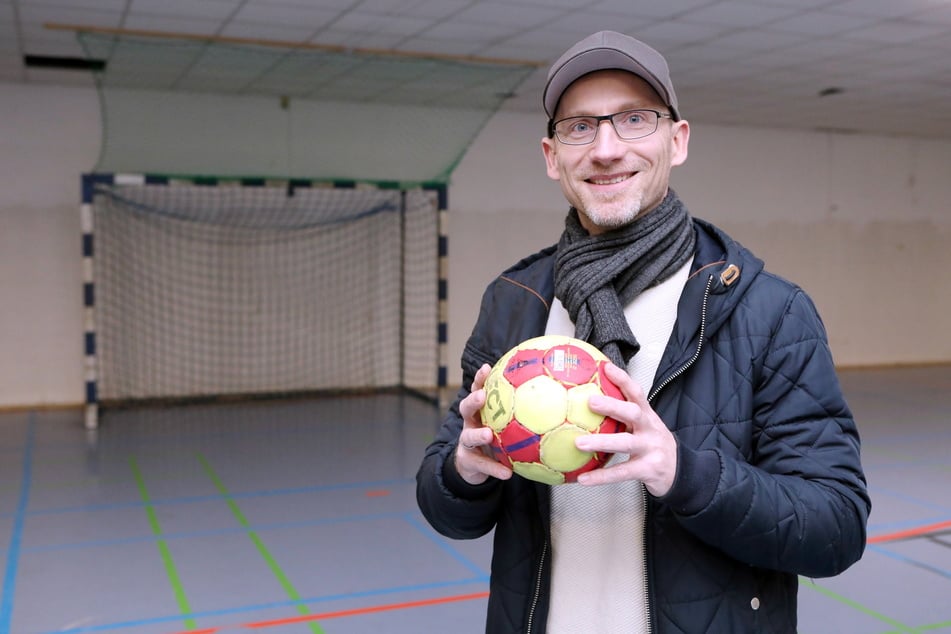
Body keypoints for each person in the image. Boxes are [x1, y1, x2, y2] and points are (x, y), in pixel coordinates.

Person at [416, 30, 869, 634]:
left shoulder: (769, 311)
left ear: (676, 142)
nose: (606, 148)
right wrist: (462, 473)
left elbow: (834, 528)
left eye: (635, 120)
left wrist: (682, 472)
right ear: (552, 155)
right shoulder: (515, 302)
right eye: (580, 126)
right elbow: (447, 508)